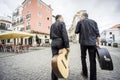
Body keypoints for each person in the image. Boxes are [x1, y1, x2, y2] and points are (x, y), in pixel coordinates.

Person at [75, 12, 100, 80]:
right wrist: (99, 43)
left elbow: (76, 31)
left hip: (83, 43)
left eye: (80, 16)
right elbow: (97, 34)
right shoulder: (94, 22)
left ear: (83, 16)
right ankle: (93, 78)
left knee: (83, 57)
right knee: (92, 60)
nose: (80, 17)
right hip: (92, 43)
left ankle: (85, 73)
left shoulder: (80, 22)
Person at [50, 15, 70, 80]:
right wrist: (67, 46)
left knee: (54, 61)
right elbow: (65, 34)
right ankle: (63, 72)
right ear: (60, 18)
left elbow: (50, 35)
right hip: (60, 43)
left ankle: (54, 78)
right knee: (62, 59)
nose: (63, 19)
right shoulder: (62, 23)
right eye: (63, 18)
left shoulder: (52, 25)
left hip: (53, 43)